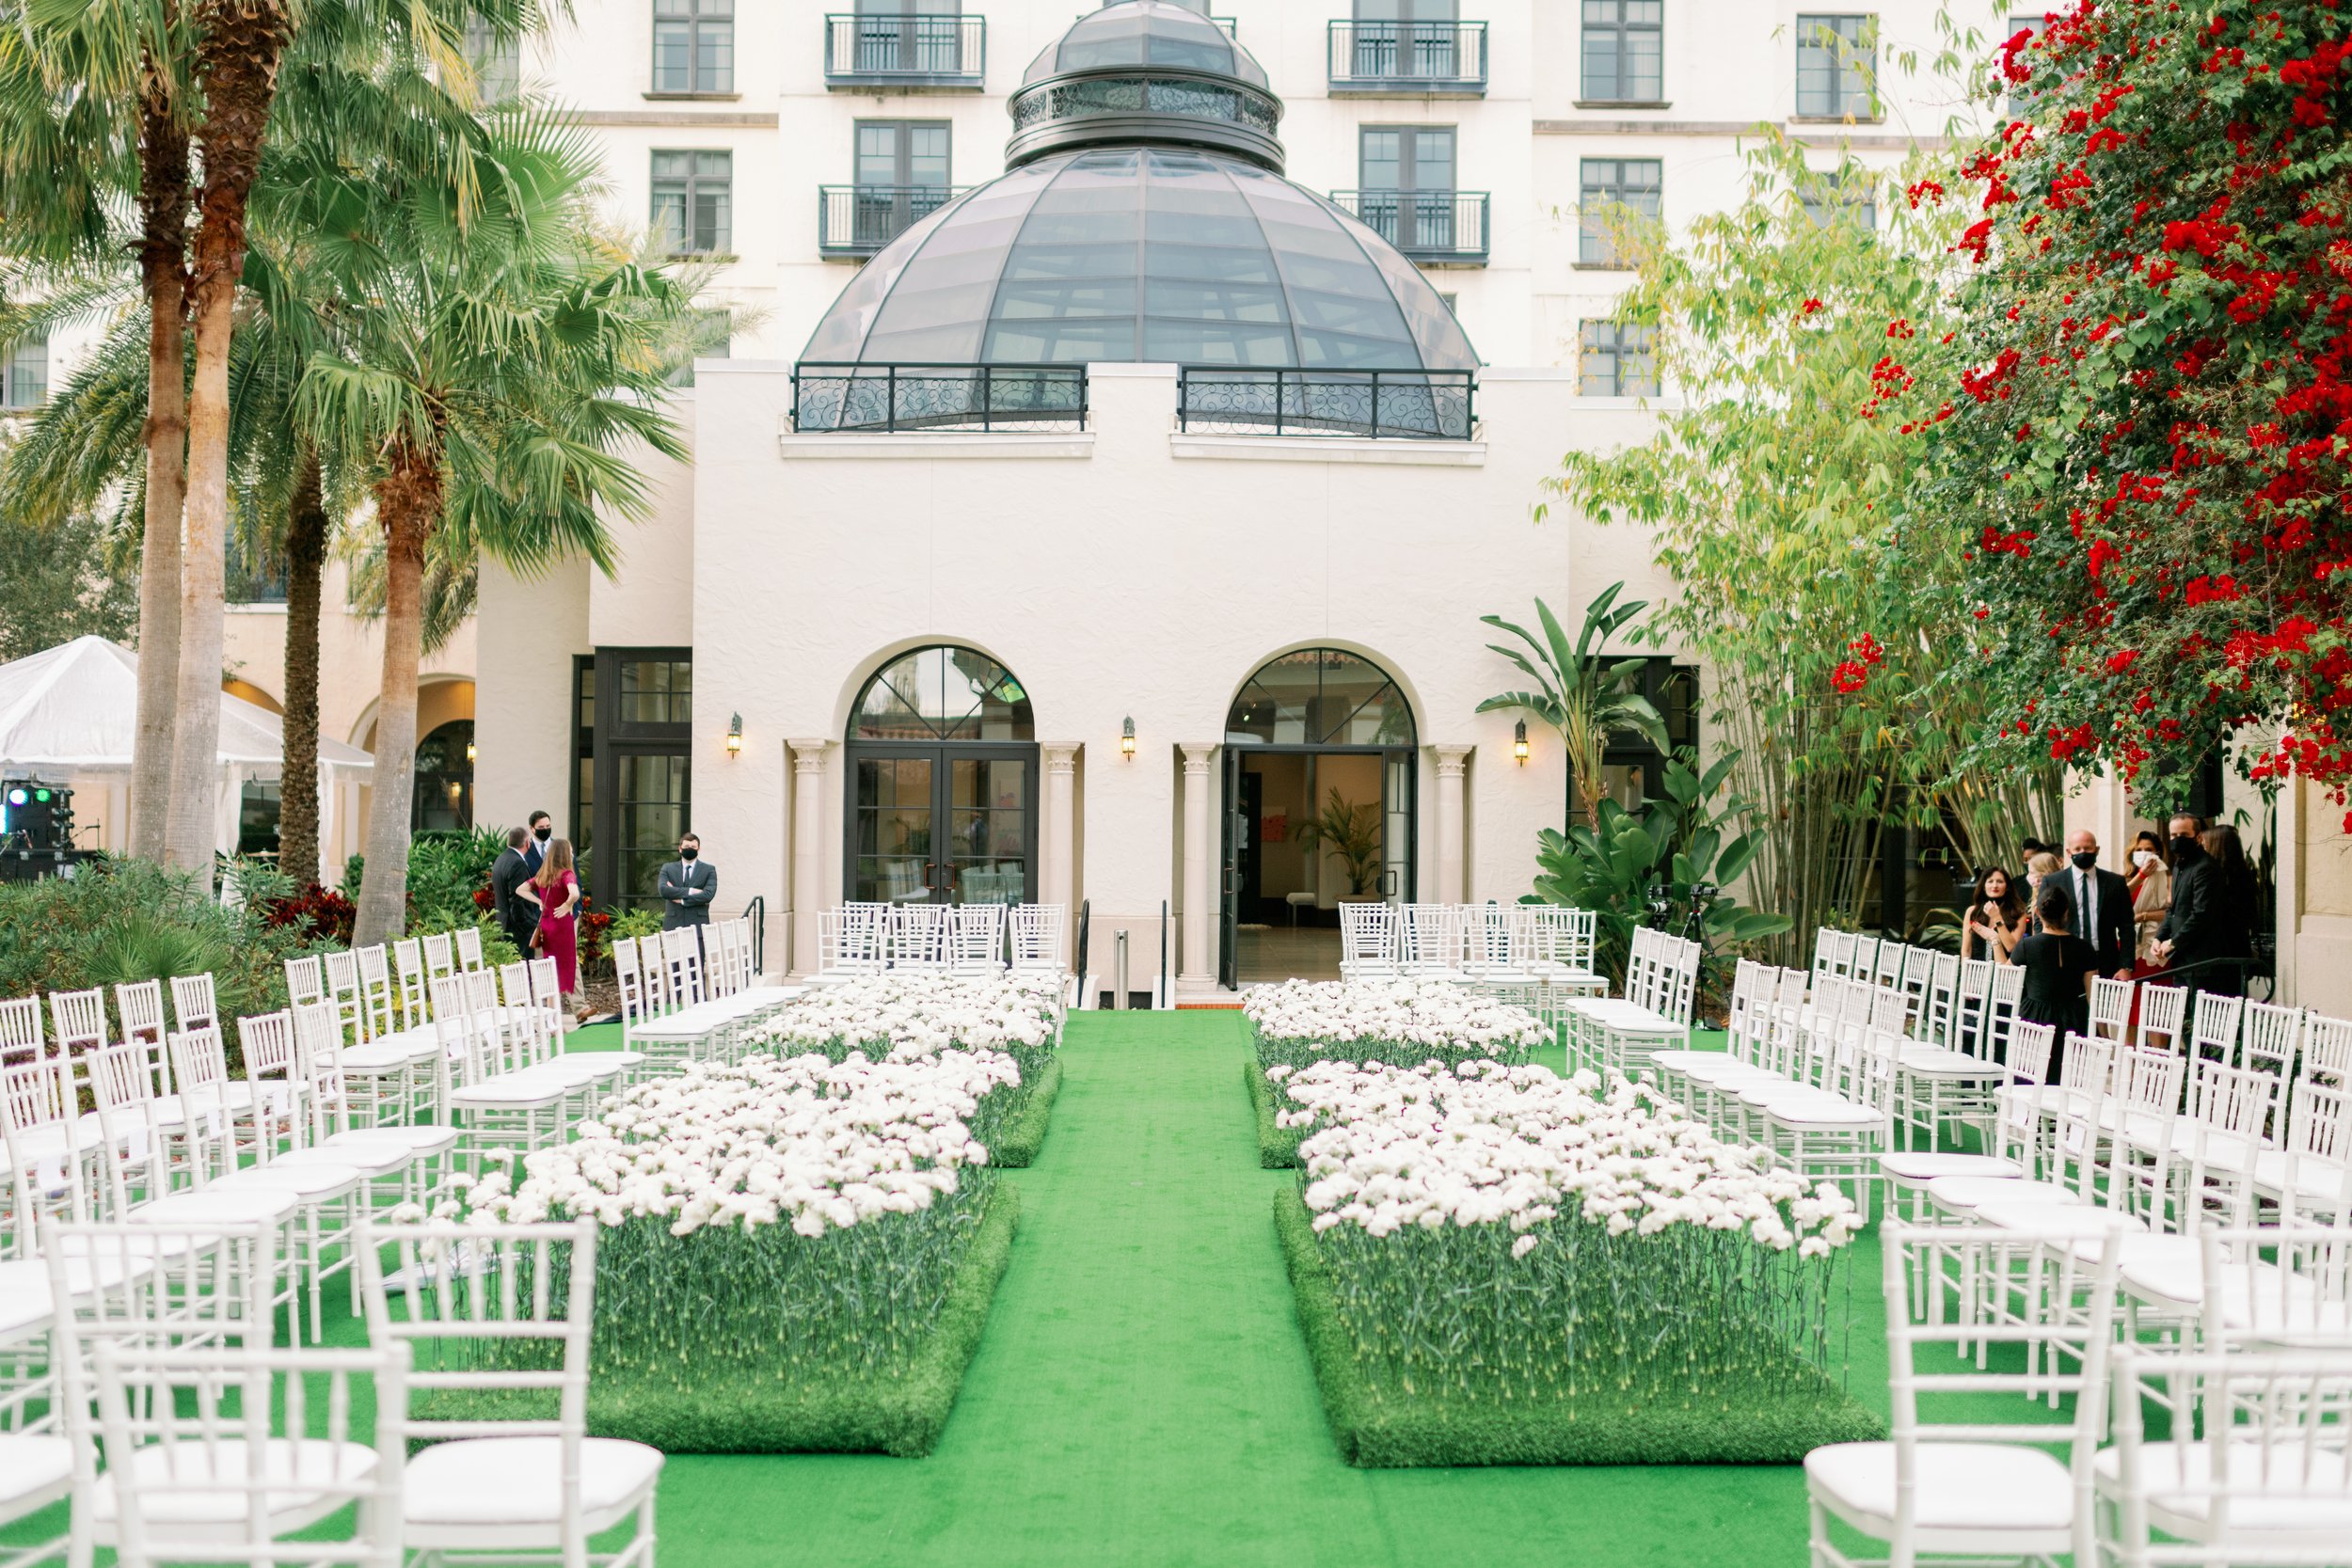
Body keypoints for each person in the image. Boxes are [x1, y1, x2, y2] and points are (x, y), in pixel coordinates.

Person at [2153, 813, 2244, 1009]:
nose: (2178, 840)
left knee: (2201, 1022)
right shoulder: (2179, 867)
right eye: (2173, 835)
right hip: (2182, 960)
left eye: (2184, 835)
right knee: (2183, 1020)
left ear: (2199, 837)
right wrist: (2159, 938)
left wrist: (2174, 942)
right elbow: (2174, 909)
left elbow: (2202, 913)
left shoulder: (2206, 867)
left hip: (2202, 963)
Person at [2011, 881, 2099, 1078]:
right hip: (2073, 1018)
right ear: (2066, 912)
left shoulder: (2027, 946)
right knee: (2067, 1076)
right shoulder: (2085, 948)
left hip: (2034, 1018)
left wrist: (1995, 940)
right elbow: (2093, 997)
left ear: (2036, 912)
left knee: (2030, 1075)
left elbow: (2005, 974)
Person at [518, 836, 585, 1020]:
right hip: (562, 927)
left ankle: (548, 1017)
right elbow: (575, 893)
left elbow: (520, 889)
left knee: (547, 971)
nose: (572, 854)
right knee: (566, 966)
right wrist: (566, 905)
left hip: (546, 926)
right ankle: (573, 1008)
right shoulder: (566, 874)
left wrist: (539, 901)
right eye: (570, 851)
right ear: (564, 854)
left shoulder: (543, 875)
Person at [2061, 828, 2135, 978]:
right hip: (2065, 961)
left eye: (2088, 848)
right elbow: (2042, 923)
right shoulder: (2054, 882)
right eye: (2077, 849)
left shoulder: (2116, 883)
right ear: (2069, 852)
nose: (2083, 852)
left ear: (2097, 850)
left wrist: (2126, 966)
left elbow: (2127, 927)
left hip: (2105, 962)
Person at [2126, 829, 2171, 968]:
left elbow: (2172, 912)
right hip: (2129, 942)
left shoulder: (2168, 879)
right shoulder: (2125, 879)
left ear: (2157, 853)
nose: (2142, 853)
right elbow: (2118, 900)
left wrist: (2143, 916)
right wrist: (2141, 876)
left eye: (2148, 849)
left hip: (2157, 942)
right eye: (2138, 849)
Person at [1962, 865, 2026, 962]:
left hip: (2004, 972)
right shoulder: (1972, 912)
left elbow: (2011, 947)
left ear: (2007, 886)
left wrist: (1997, 918)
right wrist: (1965, 972)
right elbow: (1966, 950)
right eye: (1990, 881)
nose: (1995, 885)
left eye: (2000, 881)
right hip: (1976, 972)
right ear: (1983, 886)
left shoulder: (2018, 912)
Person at [490, 826, 535, 956]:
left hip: (502, 924)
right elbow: (517, 899)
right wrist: (527, 926)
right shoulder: (517, 863)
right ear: (527, 842)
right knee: (523, 972)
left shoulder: (501, 859)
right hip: (517, 930)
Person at [658, 832, 715, 932]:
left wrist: (682, 900)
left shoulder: (709, 870)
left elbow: (708, 895)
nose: (690, 849)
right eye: (686, 846)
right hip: (673, 926)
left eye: (693, 847)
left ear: (698, 849)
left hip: (698, 926)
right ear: (680, 849)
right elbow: (664, 890)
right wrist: (691, 891)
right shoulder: (667, 868)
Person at [522, 810, 553, 878]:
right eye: (541, 827)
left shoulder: (561, 848)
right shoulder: (524, 850)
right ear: (531, 828)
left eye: (548, 826)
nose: (545, 829)